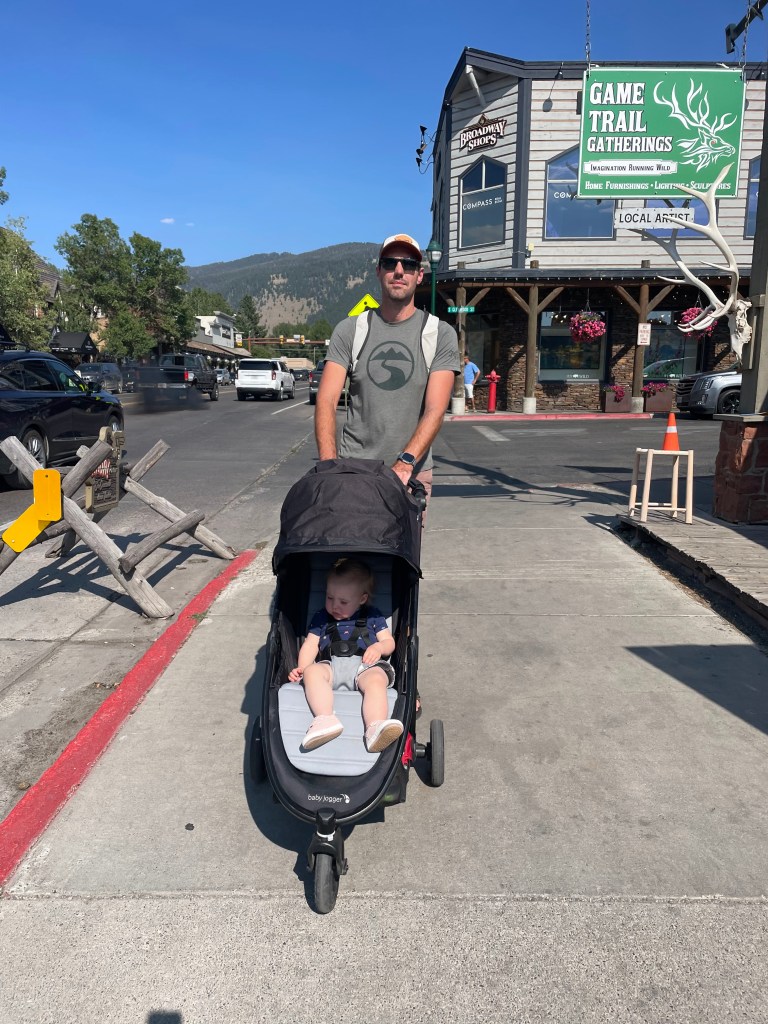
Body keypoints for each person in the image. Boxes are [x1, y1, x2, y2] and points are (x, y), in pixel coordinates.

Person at [314, 233, 460, 507]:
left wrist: (405, 464)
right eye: (390, 263)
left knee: (404, 538)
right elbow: (326, 399)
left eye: (409, 264)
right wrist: (329, 465)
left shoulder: (439, 334)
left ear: (419, 275)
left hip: (411, 474)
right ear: (379, 271)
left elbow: (436, 409)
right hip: (353, 470)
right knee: (348, 536)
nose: (399, 271)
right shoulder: (350, 330)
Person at [288, 558, 402, 754]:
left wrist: (378, 647)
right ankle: (325, 718)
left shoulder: (373, 616)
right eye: (329, 598)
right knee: (312, 672)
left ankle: (375, 727)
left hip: (364, 667)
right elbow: (310, 645)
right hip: (331, 666)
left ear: (362, 599)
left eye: (343, 602)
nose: (335, 606)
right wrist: (303, 668)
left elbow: (389, 642)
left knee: (376, 680)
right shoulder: (321, 617)